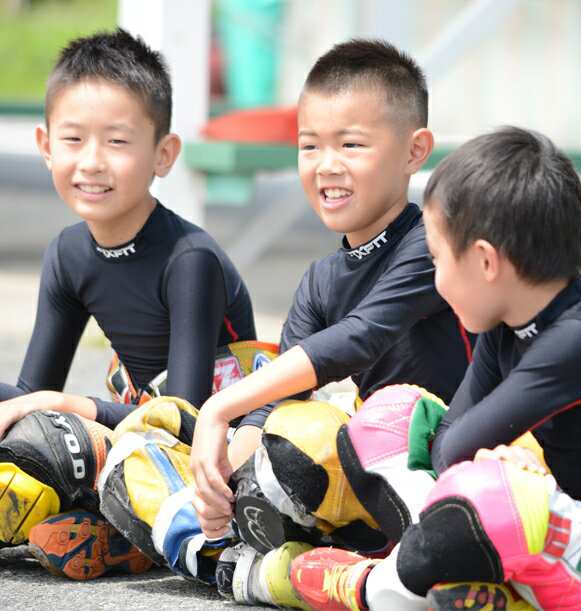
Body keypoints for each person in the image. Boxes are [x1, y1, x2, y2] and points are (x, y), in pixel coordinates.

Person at [164, 38, 475, 604]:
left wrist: (219, 407)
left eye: (352, 144)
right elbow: (270, 411)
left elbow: (360, 338)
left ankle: (328, 571)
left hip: (460, 466)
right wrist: (215, 483)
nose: (327, 165)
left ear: (414, 150)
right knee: (196, 479)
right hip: (373, 487)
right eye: (310, 146)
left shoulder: (433, 242)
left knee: (366, 420)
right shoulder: (319, 280)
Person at [290, 127, 581, 610]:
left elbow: (461, 448)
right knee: (388, 417)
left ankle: (371, 588)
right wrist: (501, 459)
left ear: (484, 261)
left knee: (495, 498)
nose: (436, 283)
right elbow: (448, 445)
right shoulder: (506, 322)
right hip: (544, 528)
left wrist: (506, 467)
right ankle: (464, 582)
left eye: (438, 260)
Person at [0, 29, 267, 580]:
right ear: (46, 145)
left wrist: (69, 407)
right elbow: (32, 396)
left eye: (117, 142)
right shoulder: (69, 253)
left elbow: (188, 418)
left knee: (89, 440)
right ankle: (105, 525)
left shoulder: (189, 259)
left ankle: (127, 534)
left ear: (163, 155)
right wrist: (43, 408)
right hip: (135, 428)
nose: (92, 162)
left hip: (214, 450)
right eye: (73, 140)